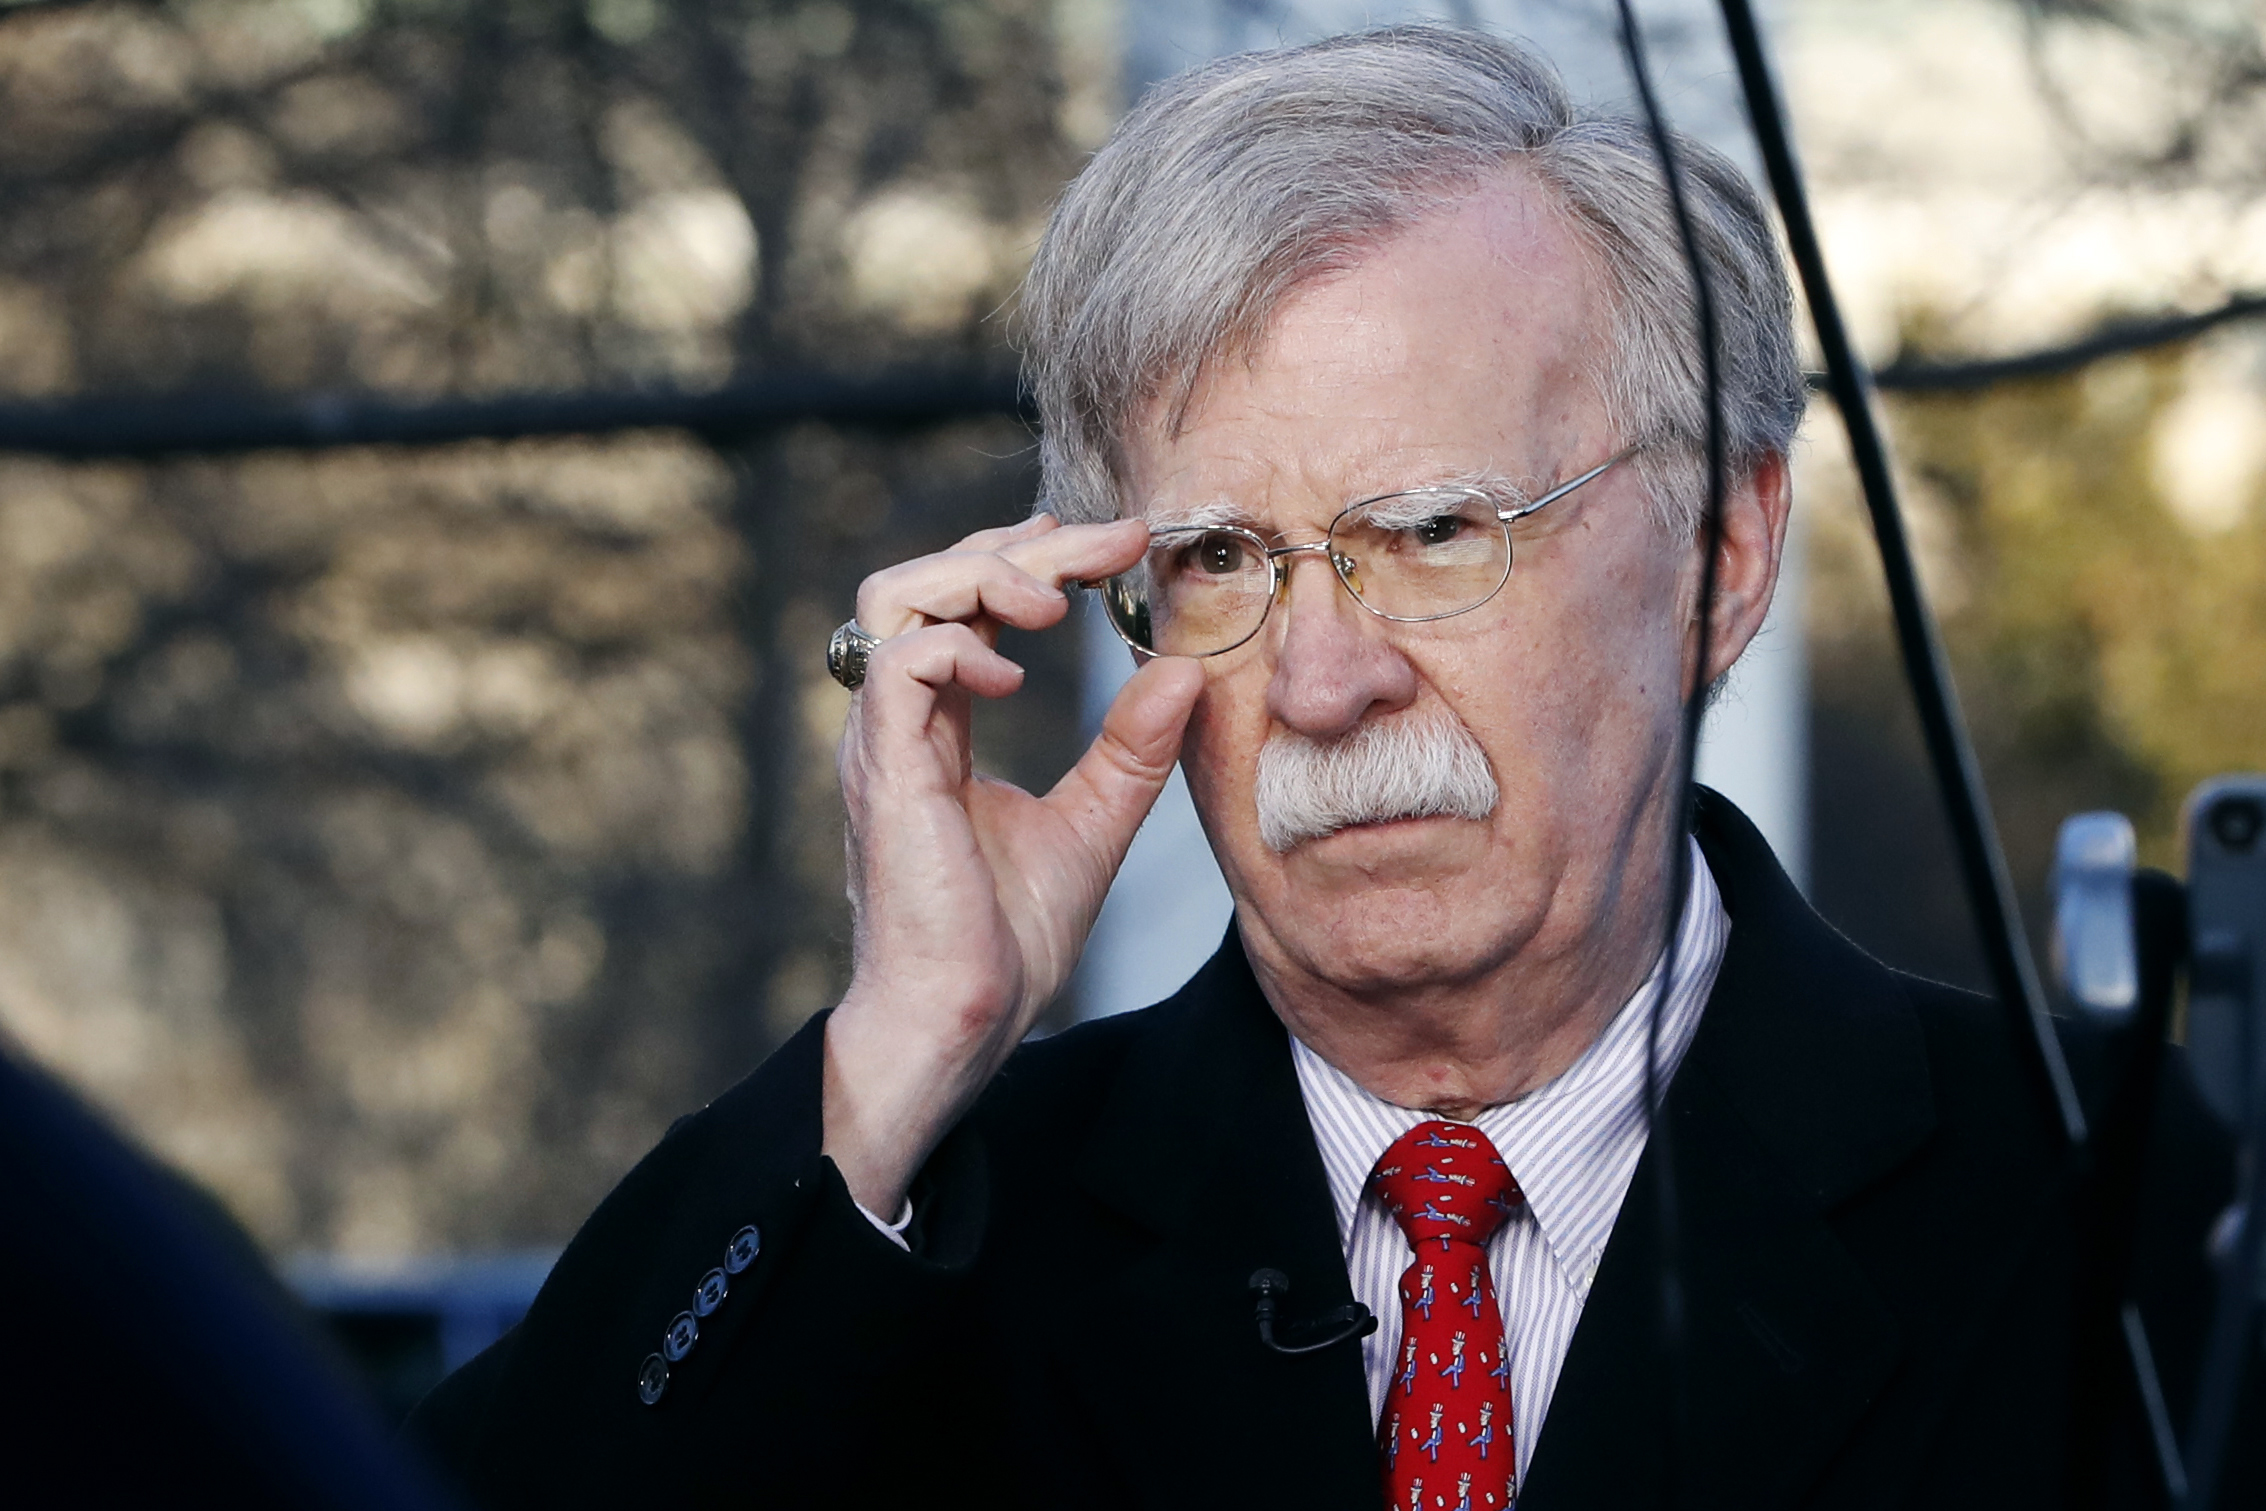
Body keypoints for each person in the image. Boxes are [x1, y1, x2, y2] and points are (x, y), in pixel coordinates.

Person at [408, 25, 2248, 1509]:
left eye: (1435, 529)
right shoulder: (902, 1242)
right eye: (1216, 558)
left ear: (1724, 558)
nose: (1321, 678)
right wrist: (898, 1059)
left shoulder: (2139, 1207)